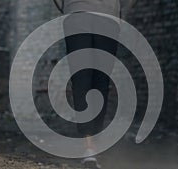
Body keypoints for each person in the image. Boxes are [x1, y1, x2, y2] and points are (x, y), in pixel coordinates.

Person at [55, 0, 120, 168]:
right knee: (83, 77)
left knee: (100, 79)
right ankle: (89, 144)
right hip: (80, 12)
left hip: (105, 16)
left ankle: (93, 141)